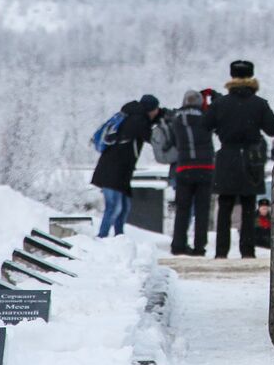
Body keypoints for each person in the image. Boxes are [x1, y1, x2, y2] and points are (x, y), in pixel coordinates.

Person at [205, 60, 274, 259]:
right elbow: (273, 129)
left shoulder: (220, 103)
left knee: (225, 206)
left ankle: (221, 252)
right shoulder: (259, 103)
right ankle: (247, 251)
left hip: (227, 158)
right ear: (251, 76)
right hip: (250, 160)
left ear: (232, 76)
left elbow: (205, 125)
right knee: (248, 206)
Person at [91, 94, 160, 238]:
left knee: (123, 208)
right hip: (114, 170)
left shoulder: (131, 115)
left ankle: (119, 238)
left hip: (118, 170)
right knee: (114, 206)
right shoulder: (139, 120)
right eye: (156, 109)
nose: (157, 112)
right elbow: (152, 138)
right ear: (150, 109)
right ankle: (102, 238)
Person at [169, 90, 215, 257]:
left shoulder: (176, 118)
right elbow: (218, 111)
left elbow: (172, 140)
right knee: (202, 210)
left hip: (184, 167)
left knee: (182, 209)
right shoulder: (206, 117)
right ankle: (199, 247)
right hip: (205, 168)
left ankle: (178, 245)